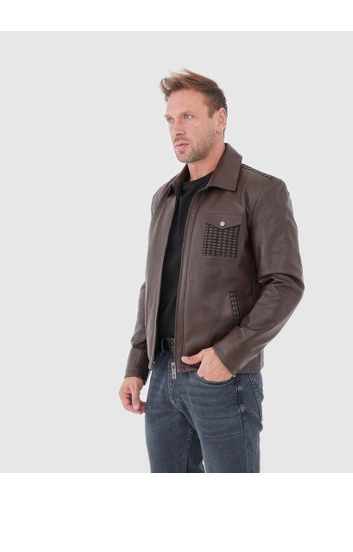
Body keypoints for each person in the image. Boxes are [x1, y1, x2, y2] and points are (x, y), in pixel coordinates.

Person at [119, 69, 305, 472]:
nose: (176, 129)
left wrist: (228, 354)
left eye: (188, 116)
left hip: (223, 378)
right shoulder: (164, 197)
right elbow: (153, 287)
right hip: (162, 377)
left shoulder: (261, 191)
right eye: (170, 119)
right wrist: (136, 366)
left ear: (220, 119)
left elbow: (285, 283)